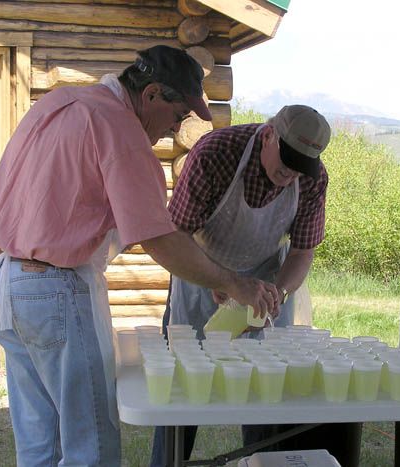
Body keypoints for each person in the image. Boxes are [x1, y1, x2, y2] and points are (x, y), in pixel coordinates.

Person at [0, 45, 279, 467]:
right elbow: (158, 238)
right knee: (92, 451)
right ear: (152, 94)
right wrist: (232, 282)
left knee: (40, 447)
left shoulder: (61, 101)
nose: (174, 128)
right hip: (54, 291)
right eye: (177, 116)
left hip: (2, 284)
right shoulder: (119, 128)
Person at [150, 105, 362, 467]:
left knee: (266, 391)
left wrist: (278, 293)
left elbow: (303, 251)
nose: (289, 175)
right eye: (284, 163)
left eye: (299, 168)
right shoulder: (215, 154)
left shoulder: (312, 178)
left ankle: (263, 461)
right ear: (267, 136)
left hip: (266, 281)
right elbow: (176, 236)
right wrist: (223, 280)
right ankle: (167, 463)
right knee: (183, 389)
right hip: (199, 272)